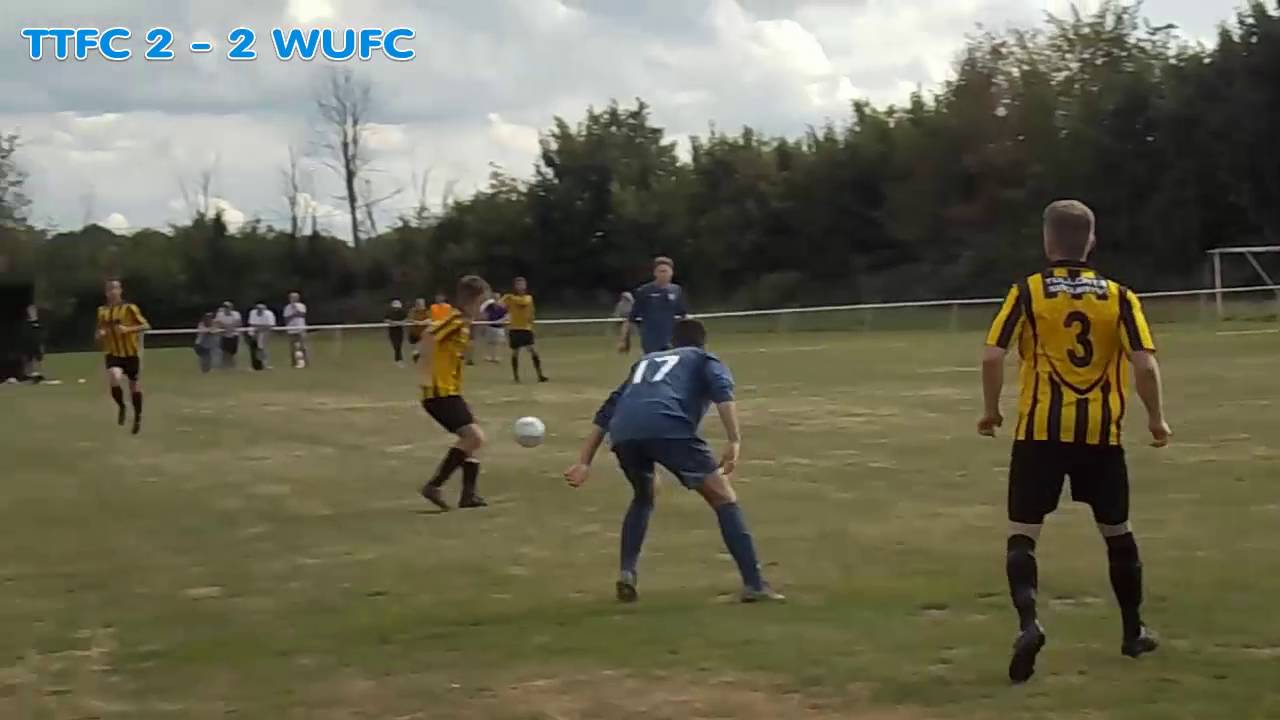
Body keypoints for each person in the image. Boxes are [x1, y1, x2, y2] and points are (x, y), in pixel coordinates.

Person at [979, 200, 1171, 684]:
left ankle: (1029, 623)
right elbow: (1144, 364)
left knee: (1024, 534)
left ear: (1048, 241)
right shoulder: (1119, 296)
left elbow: (991, 356)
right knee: (1117, 533)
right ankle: (1132, 632)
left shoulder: (1026, 292)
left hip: (1039, 434)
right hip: (1100, 437)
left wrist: (991, 410)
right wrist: (1156, 420)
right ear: (1090, 241)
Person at [566, 318, 784, 604]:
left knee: (644, 496)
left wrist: (585, 461)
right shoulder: (703, 357)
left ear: (672, 342)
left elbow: (607, 410)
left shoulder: (646, 362)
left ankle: (627, 572)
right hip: (668, 426)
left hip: (624, 432)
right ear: (702, 342)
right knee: (723, 497)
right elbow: (723, 393)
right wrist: (734, 440)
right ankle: (754, 584)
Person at [418, 276, 492, 511]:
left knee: (472, 439)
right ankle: (434, 485)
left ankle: (468, 495)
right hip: (440, 392)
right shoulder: (456, 320)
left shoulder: (464, 322)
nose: (484, 307)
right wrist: (425, 363)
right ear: (474, 299)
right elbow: (430, 334)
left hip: (450, 390)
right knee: (474, 438)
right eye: (482, 302)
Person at [95, 279, 150, 434]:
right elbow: (99, 330)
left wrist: (128, 329)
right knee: (114, 377)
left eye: (115, 289)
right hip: (113, 353)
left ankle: (138, 416)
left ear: (120, 291)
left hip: (131, 353)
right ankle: (121, 406)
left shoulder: (129, 308)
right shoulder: (102, 311)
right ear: (106, 293)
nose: (112, 292)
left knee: (134, 387)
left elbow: (146, 325)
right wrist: (100, 334)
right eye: (109, 289)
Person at [620, 257, 688, 355]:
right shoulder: (644, 291)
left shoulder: (676, 290)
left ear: (671, 272)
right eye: (660, 271)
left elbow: (683, 315)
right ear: (655, 273)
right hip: (651, 341)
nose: (663, 274)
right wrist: (624, 340)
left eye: (666, 271)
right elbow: (631, 319)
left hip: (672, 339)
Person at [500, 276, 548, 383]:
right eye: (519, 284)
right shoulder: (509, 298)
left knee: (533, 351)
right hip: (514, 328)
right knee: (515, 353)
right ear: (515, 286)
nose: (521, 286)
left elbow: (526, 305)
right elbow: (500, 306)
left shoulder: (527, 298)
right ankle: (516, 376)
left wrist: (532, 321)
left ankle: (540, 375)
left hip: (526, 329)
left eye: (523, 284)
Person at [283, 291, 309, 368]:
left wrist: (295, 309)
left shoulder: (302, 306)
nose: (293, 299)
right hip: (291, 329)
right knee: (292, 347)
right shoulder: (287, 307)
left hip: (301, 328)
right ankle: (294, 363)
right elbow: (286, 319)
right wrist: (293, 315)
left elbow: (302, 314)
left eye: (294, 297)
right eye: (291, 298)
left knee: (303, 346)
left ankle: (305, 362)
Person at [247, 301, 276, 371]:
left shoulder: (268, 314)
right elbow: (252, 324)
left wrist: (259, 328)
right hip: (253, 333)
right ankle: (255, 366)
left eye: (261, 309)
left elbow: (270, 326)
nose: (259, 310)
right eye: (258, 309)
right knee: (253, 350)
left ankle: (265, 365)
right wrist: (256, 332)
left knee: (262, 349)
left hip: (264, 333)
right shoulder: (252, 313)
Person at [479, 291, 507, 363]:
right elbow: (483, 313)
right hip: (490, 326)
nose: (496, 299)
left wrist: (500, 321)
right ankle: (489, 356)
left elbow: (506, 316)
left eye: (497, 298)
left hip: (499, 328)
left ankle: (497, 356)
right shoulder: (489, 306)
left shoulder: (502, 307)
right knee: (489, 342)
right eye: (495, 298)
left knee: (498, 343)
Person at [214, 301, 242, 370]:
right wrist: (226, 327)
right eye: (225, 307)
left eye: (228, 307)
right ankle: (225, 366)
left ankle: (232, 366)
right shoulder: (219, 314)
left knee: (233, 352)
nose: (226, 309)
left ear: (231, 308)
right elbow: (218, 322)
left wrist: (229, 327)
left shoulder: (236, 314)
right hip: (224, 335)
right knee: (224, 351)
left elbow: (238, 323)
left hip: (234, 335)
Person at [385, 298, 408, 367]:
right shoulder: (389, 312)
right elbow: (386, 319)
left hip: (400, 331)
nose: (396, 309)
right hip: (392, 331)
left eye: (397, 307)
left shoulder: (402, 312)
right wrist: (393, 322)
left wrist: (400, 323)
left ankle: (398, 361)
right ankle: (399, 360)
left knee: (399, 346)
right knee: (396, 346)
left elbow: (406, 319)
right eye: (395, 307)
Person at [408, 297, 430, 364]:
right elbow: (410, 319)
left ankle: (420, 356)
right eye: (419, 304)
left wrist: (421, 323)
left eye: (422, 304)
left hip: (423, 332)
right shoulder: (412, 311)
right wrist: (416, 322)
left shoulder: (427, 311)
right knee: (414, 346)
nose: (421, 306)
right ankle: (416, 355)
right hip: (414, 332)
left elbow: (429, 319)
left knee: (423, 346)